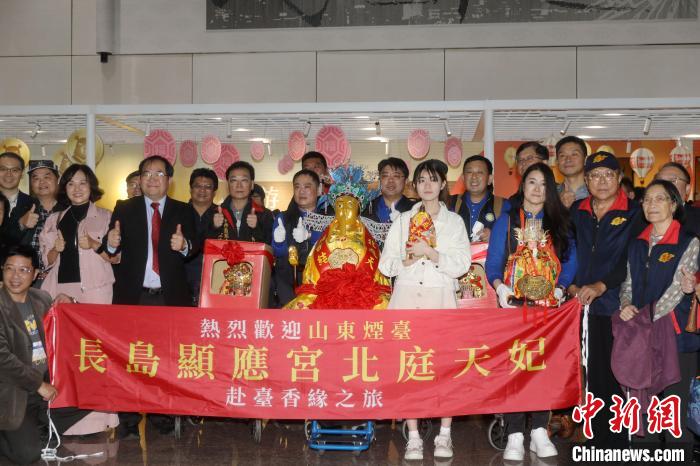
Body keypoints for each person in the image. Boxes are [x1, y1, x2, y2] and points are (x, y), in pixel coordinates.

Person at [379, 159, 471, 461]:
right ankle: (414, 437)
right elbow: (385, 264)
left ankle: (445, 434)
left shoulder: (454, 222)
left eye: (433, 179)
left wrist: (430, 252)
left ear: (443, 184)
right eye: (421, 180)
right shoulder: (403, 220)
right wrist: (405, 260)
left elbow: (462, 265)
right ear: (415, 186)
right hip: (406, 299)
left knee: (444, 369)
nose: (427, 185)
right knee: (408, 368)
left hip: (440, 299)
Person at [484, 162, 576, 461]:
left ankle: (538, 429)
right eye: (532, 182)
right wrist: (500, 287)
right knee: (515, 366)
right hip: (514, 307)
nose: (537, 189)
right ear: (522, 186)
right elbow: (493, 262)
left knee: (541, 366)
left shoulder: (559, 221)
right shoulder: (508, 220)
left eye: (544, 184)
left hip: (549, 310)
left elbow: (571, 260)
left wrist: (561, 288)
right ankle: (514, 433)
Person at [104, 155, 198, 439]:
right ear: (140, 178)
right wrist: (111, 244)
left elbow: (195, 245)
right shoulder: (125, 208)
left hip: (169, 298)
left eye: (159, 174)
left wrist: (184, 245)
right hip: (134, 297)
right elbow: (112, 246)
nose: (152, 179)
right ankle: (129, 419)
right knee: (130, 358)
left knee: (164, 359)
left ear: (169, 179)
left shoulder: (183, 210)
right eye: (147, 173)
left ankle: (162, 414)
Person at [568, 151, 644, 449]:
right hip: (584, 308)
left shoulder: (635, 213)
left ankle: (621, 442)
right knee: (593, 375)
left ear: (619, 178)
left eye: (608, 175)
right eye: (595, 176)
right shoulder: (577, 211)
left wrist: (602, 285)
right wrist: (570, 285)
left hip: (619, 305)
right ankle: (598, 439)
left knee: (620, 375)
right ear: (586, 180)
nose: (602, 181)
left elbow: (632, 258)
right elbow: (566, 251)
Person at [619, 180, 699, 445]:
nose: (652, 204)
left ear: (674, 205)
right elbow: (628, 283)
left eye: (660, 199)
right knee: (645, 407)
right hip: (643, 336)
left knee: (675, 410)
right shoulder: (637, 244)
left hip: (676, 336)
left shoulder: (688, 242)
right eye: (647, 200)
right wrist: (625, 305)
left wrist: (644, 319)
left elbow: (677, 290)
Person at [0, 245, 95, 464]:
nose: (15, 276)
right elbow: (2, 358)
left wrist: (71, 302)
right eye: (9, 268)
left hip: (44, 385)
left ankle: (37, 429)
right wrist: (38, 385)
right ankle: (19, 434)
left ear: (35, 274)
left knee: (93, 387)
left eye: (23, 270)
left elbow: (74, 325)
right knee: (28, 455)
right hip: (12, 391)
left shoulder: (41, 298)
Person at [285, 165, 391, 310]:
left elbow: (379, 271)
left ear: (358, 209)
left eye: (349, 205)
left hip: (363, 290)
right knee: (301, 307)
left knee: (383, 305)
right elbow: (311, 271)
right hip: (324, 290)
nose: (344, 209)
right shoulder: (324, 232)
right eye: (340, 205)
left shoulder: (370, 233)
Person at [39, 164, 114, 304]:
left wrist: (94, 244)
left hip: (96, 289)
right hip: (60, 288)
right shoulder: (54, 220)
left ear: (91, 186)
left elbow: (115, 258)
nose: (77, 189)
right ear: (65, 188)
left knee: (94, 320)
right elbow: (47, 261)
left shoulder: (107, 217)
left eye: (82, 183)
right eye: (71, 184)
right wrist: (55, 249)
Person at [271, 169, 325, 307]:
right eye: (297, 187)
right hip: (287, 283)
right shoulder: (283, 218)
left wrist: (310, 235)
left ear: (319, 189)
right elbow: (278, 255)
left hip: (319, 282)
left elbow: (334, 244)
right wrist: (279, 243)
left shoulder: (328, 218)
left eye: (307, 187)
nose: (301, 191)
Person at [8, 160, 65, 286]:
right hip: (26, 278)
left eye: (47, 177)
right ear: (31, 183)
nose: (42, 182)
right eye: (36, 178)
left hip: (59, 277)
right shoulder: (21, 208)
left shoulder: (67, 210)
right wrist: (21, 224)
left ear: (57, 180)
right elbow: (7, 240)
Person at [210, 161, 273, 244]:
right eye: (234, 180)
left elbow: (270, 247)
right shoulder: (214, 213)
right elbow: (206, 246)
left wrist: (256, 229)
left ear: (252, 184)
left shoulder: (265, 215)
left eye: (244, 180)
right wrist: (214, 228)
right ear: (228, 184)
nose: (239, 185)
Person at [450, 155, 503, 242]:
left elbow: (514, 236)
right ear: (463, 178)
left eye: (480, 172)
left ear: (489, 179)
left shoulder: (504, 205)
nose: (474, 177)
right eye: (469, 172)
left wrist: (495, 235)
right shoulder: (450, 203)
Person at [186, 168, 218, 305]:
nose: (202, 190)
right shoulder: (178, 212)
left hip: (214, 282)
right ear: (190, 189)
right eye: (198, 186)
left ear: (214, 191)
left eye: (208, 187)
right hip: (182, 281)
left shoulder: (223, 214)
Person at [362, 157, 415, 223]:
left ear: (406, 181)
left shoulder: (415, 209)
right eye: (385, 176)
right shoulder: (366, 207)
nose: (390, 180)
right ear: (379, 180)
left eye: (396, 176)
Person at [655, 161, 700, 237]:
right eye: (659, 181)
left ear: (687, 189)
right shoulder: (642, 217)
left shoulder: (697, 218)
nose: (664, 186)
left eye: (672, 181)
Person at [556, 136, 589, 208]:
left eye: (574, 154)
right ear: (557, 161)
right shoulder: (551, 194)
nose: (568, 159)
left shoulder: (596, 192)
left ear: (585, 159)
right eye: (562, 155)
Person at [0, 152, 32, 217]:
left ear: (22, 174)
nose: (8, 174)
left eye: (14, 170)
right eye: (3, 169)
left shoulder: (33, 203)